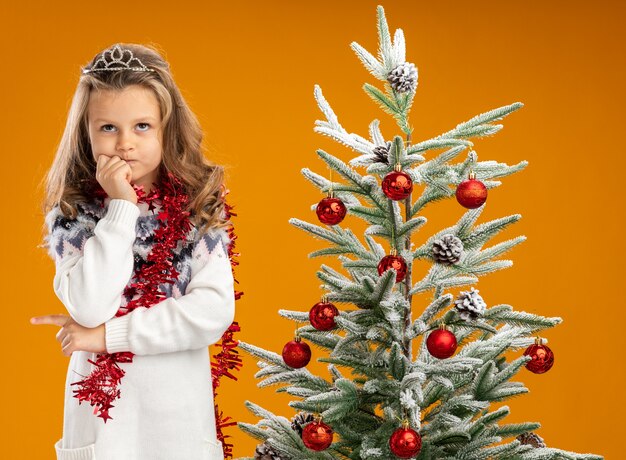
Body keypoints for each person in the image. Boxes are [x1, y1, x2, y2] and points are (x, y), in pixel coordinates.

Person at [31, 43, 235, 460]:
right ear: (85, 134)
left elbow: (212, 311)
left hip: (179, 426)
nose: (125, 143)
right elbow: (90, 305)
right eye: (108, 128)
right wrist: (121, 207)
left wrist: (107, 337)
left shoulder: (198, 209)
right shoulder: (73, 215)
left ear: (166, 128)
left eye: (142, 126)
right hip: (103, 431)